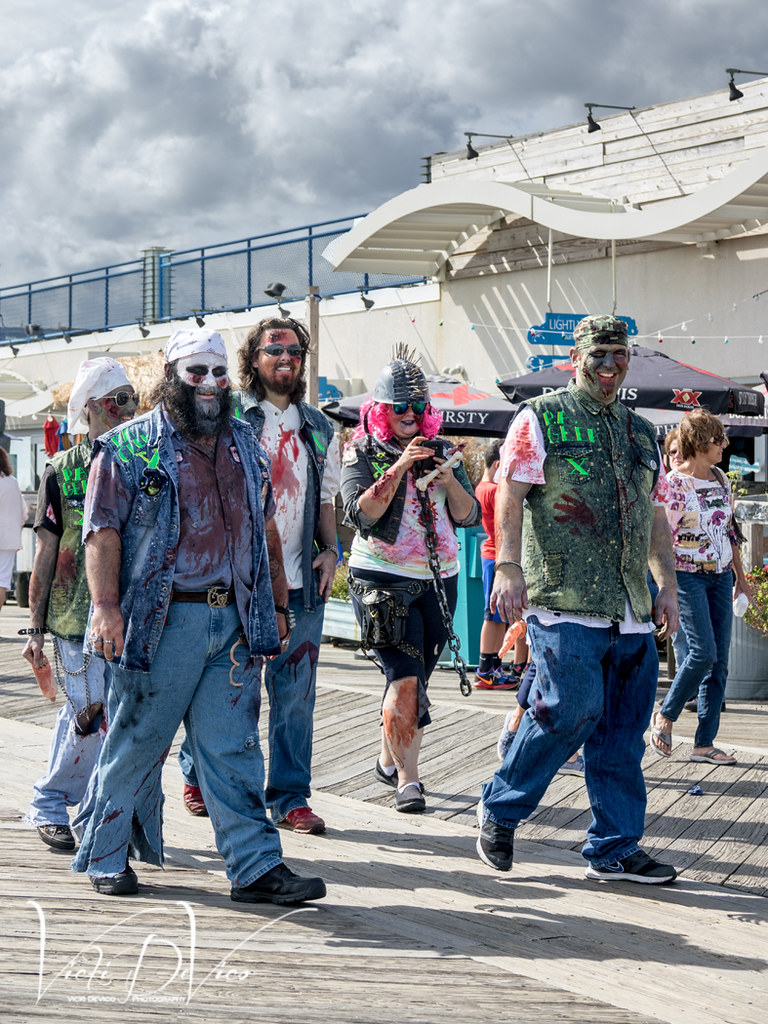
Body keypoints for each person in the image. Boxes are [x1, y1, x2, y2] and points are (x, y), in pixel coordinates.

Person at [72, 327, 326, 905]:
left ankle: (256, 867)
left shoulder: (244, 441)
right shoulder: (128, 447)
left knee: (234, 749)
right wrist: (106, 608)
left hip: (232, 623)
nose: (209, 385)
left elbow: (264, 530)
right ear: (172, 376)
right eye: (196, 373)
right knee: (137, 742)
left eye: (217, 373)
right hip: (160, 624)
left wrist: (279, 606)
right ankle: (107, 856)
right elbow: (101, 534)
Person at [477, 314, 680, 885]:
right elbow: (511, 496)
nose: (611, 366)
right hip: (563, 595)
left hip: (631, 606)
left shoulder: (643, 433)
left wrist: (666, 585)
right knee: (568, 708)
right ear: (577, 358)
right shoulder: (540, 417)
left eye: (620, 355)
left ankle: (614, 847)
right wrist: (509, 567)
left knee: (621, 729)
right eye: (600, 355)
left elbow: (656, 514)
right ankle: (500, 805)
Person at [178, 316, 340, 834]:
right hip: (239, 587)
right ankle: (198, 773)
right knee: (225, 690)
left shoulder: (319, 427)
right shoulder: (230, 422)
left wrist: (332, 550)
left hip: (301, 587)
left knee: (295, 698)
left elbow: (329, 499)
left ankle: (290, 797)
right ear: (253, 361)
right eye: (274, 351)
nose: (285, 358)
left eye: (294, 350)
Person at [341, 348, 481, 813]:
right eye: (399, 407)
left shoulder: (446, 451)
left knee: (417, 681)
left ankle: (388, 758)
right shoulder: (360, 450)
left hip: (440, 579)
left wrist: (450, 477)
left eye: (418, 407)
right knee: (402, 680)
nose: (409, 415)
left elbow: (468, 515)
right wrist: (400, 467)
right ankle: (408, 780)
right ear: (380, 410)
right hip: (382, 576)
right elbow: (360, 514)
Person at [22, 358, 136, 852]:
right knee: (87, 714)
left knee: (110, 717)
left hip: (132, 615)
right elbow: (45, 552)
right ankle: (50, 803)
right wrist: (34, 628)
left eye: (133, 400)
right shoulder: (62, 472)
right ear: (91, 409)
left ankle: (91, 808)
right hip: (75, 616)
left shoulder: (140, 463)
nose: (128, 411)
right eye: (118, 401)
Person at [650, 410, 750, 765]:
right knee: (702, 651)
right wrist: (667, 585)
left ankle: (704, 743)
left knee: (720, 662)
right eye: (717, 439)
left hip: (721, 576)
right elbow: (658, 539)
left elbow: (730, 530)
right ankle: (665, 715)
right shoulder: (673, 484)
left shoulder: (721, 478)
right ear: (699, 443)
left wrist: (741, 577)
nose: (724, 445)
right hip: (687, 575)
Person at [474, 440, 521, 689]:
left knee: (495, 616)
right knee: (493, 617)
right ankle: (486, 671)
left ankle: (490, 668)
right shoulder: (494, 490)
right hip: (497, 556)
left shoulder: (481, 487)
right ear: (498, 464)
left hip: (492, 554)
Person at [0, 446, 27, 614]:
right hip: (8, 539)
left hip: (9, 537)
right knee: (2, 582)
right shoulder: (12, 481)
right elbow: (23, 514)